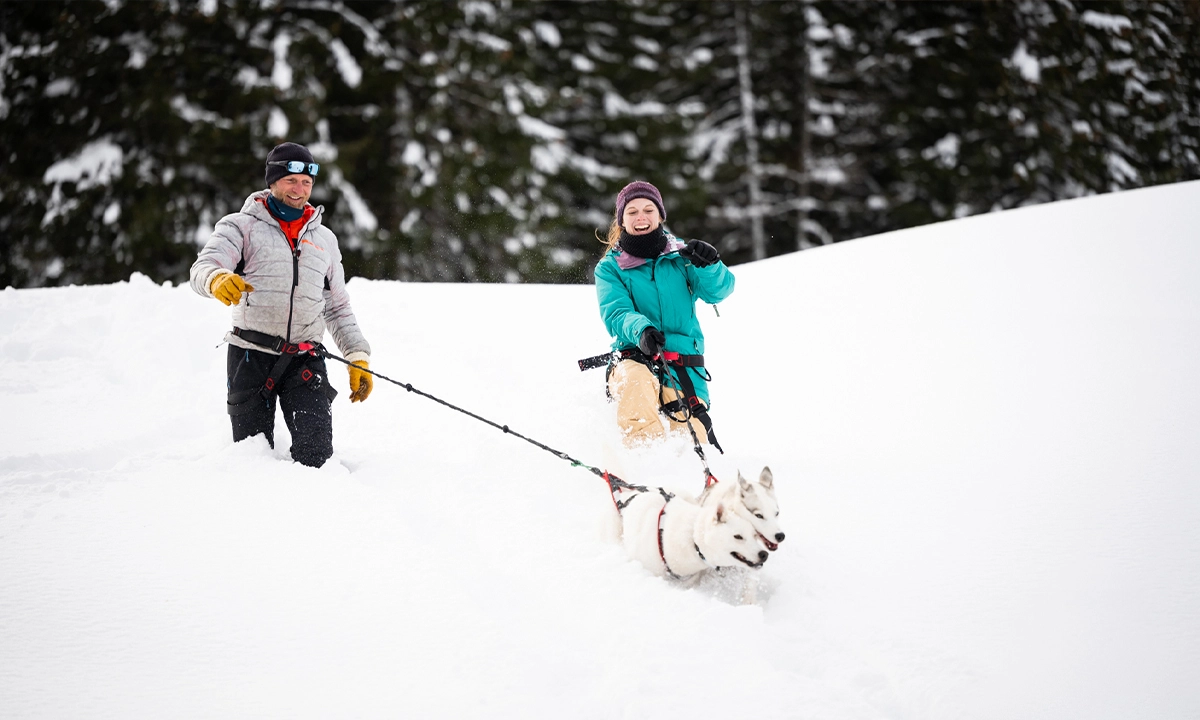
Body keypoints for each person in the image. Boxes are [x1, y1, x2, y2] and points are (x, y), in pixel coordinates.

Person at [190, 142, 373, 468]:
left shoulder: (325, 241)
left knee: (316, 457)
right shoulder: (241, 226)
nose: (299, 189)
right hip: (250, 356)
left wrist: (357, 355)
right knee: (250, 459)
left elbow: (338, 307)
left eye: (306, 182)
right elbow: (203, 267)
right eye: (291, 180)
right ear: (273, 181)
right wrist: (217, 279)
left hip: (305, 359)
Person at [594, 180, 735, 449]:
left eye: (648, 209)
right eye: (632, 212)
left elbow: (719, 291)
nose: (641, 217)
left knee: (688, 442)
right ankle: (645, 465)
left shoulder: (682, 256)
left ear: (660, 215)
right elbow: (617, 312)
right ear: (622, 220)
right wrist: (642, 330)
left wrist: (711, 264)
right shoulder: (609, 268)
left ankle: (686, 477)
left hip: (683, 367)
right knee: (637, 384)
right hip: (633, 358)